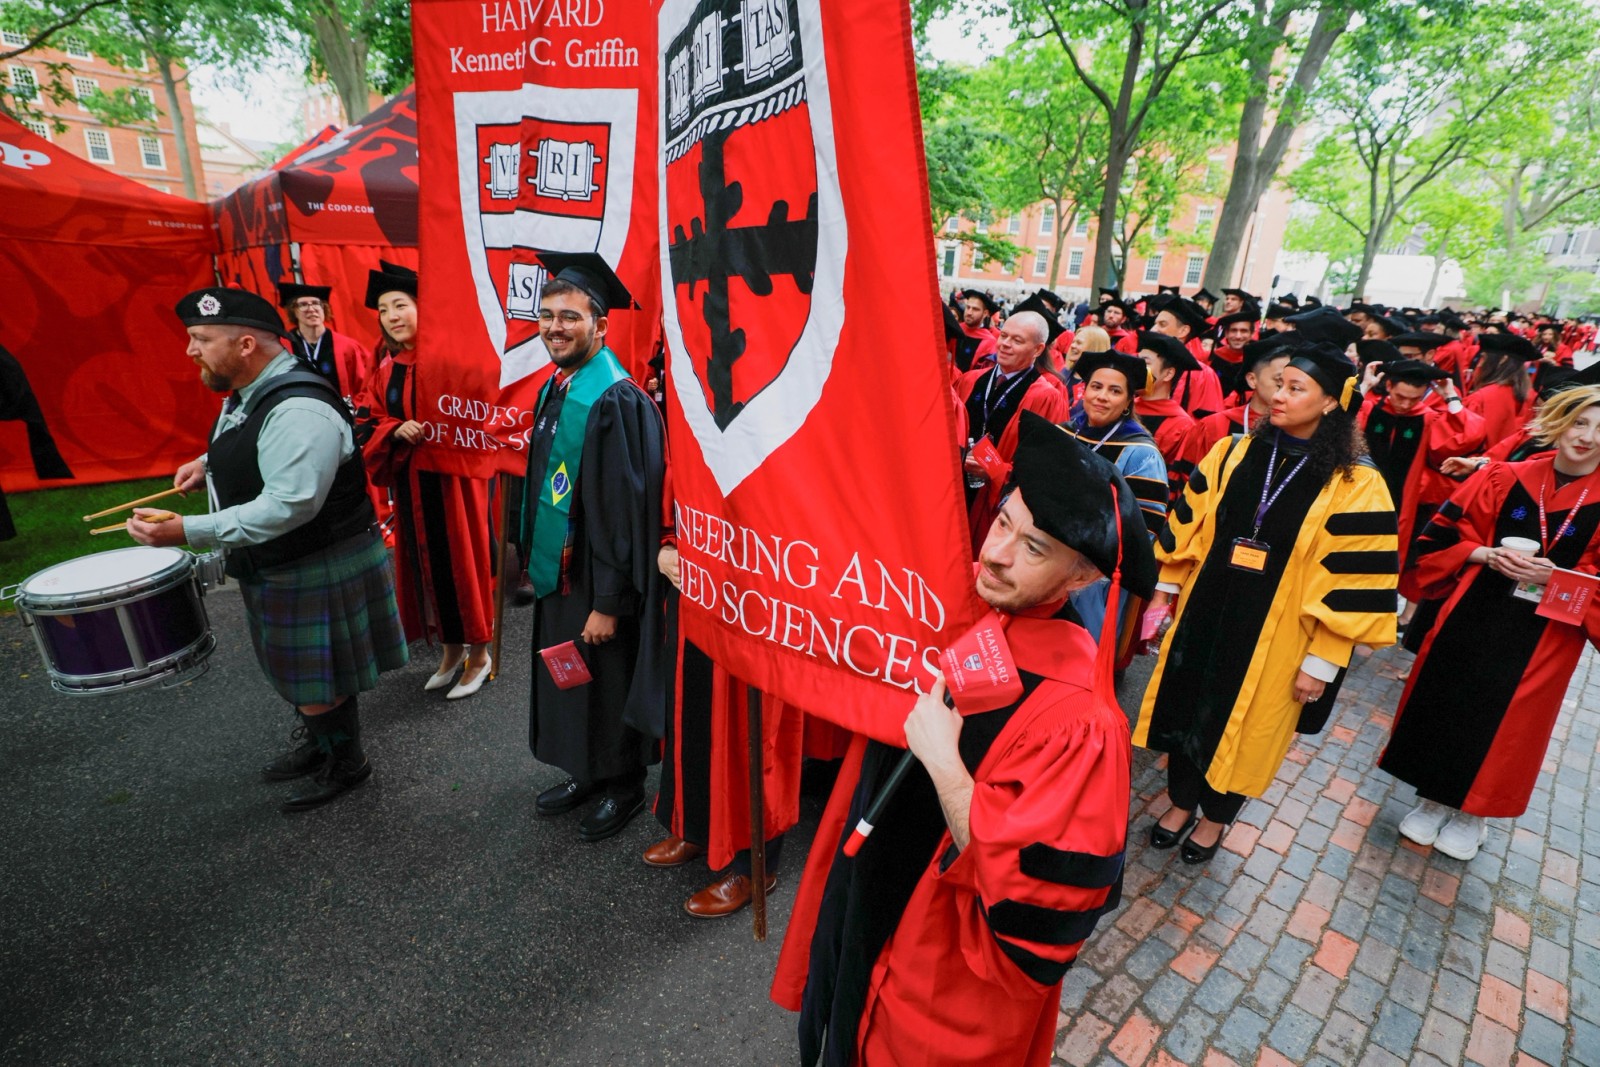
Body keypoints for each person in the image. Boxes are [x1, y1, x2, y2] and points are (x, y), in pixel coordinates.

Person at [776, 412, 1157, 1067]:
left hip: (936, 966)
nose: (997, 552)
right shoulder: (966, 612)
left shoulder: (1082, 725)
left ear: (1081, 578)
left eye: (1033, 547)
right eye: (1003, 522)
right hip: (866, 900)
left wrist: (946, 765)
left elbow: (1038, 912)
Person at [129, 287, 407, 812]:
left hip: (317, 559)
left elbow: (289, 505)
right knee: (303, 671)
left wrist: (189, 530)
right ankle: (323, 744)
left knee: (317, 675)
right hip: (286, 560)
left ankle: (346, 763)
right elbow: (257, 442)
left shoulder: (299, 407)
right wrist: (208, 463)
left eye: (201, 339)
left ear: (246, 345)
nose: (190, 350)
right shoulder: (252, 387)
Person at [1135, 342, 1399, 863]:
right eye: (1279, 384)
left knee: (1249, 732)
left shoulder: (1356, 483)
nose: (1278, 395)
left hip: (1278, 638)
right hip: (1205, 614)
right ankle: (1181, 802)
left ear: (1330, 402)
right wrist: (1165, 596)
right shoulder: (1232, 452)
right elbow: (1189, 529)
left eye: (1295, 388)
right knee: (1186, 710)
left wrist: (1322, 662)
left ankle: (1215, 819)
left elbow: (1353, 582)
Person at [1380, 386, 1600, 860]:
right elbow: (1438, 539)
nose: (1587, 436)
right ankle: (1432, 798)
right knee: (1450, 697)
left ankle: (1472, 814)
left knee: (1509, 722)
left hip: (1546, 634)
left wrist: (1556, 577)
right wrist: (1483, 553)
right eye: (1580, 422)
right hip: (1473, 610)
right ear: (1559, 421)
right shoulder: (1506, 476)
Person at [525, 252, 667, 843]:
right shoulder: (560, 386)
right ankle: (585, 769)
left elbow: (623, 513)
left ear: (600, 326)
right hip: (563, 568)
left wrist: (608, 601)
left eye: (570, 317)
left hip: (598, 576)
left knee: (605, 678)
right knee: (572, 674)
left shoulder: (613, 399)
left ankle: (623, 784)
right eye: (547, 316)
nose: (555, 327)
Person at [354, 262, 496, 700]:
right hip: (413, 483)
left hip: (454, 485)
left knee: (462, 564)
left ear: (423, 308)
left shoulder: (451, 359)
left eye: (400, 305)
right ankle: (451, 651)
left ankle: (479, 653)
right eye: (383, 310)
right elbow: (367, 417)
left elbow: (485, 404)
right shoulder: (387, 369)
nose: (391, 316)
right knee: (427, 567)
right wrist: (394, 428)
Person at [1357, 359, 1485, 616]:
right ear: (1389, 386)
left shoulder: (1427, 419)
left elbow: (1468, 436)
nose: (1405, 404)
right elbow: (1337, 421)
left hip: (1401, 505)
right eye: (1400, 396)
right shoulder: (1370, 409)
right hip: (1358, 497)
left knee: (1387, 556)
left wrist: (1450, 396)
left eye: (1413, 398)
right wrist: (1363, 387)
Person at [1059, 349, 1168, 641]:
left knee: (1077, 646)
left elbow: (1146, 528)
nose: (1102, 396)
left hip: (1096, 575)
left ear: (1129, 401)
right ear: (1084, 391)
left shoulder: (1141, 453)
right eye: (1096, 386)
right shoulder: (1063, 433)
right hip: (1048, 557)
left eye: (1115, 391)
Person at [954, 310, 1070, 554]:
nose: (1005, 344)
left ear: (1038, 349)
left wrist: (997, 471)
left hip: (997, 510)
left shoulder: (1046, 397)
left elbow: (1048, 466)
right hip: (955, 495)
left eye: (1017, 340)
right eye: (1003, 335)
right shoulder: (970, 380)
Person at [276, 281, 371, 401]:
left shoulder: (348, 347)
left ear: (323, 308)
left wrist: (355, 408)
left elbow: (366, 387)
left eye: (316, 303)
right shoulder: (282, 347)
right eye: (303, 304)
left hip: (341, 410)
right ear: (293, 311)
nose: (311, 309)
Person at [1131, 330, 1198, 495]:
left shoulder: (1182, 425)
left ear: (1168, 374)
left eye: (1145, 362)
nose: (1136, 368)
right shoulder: (1123, 407)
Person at [1464, 332, 1537, 447]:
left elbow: (1464, 440)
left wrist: (1452, 401)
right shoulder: (1531, 395)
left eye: (1483, 358)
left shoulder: (1481, 398)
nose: (1479, 364)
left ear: (1503, 359)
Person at [949, 291, 999, 373]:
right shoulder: (954, 329)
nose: (969, 312)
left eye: (975, 309)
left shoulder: (989, 343)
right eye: (968, 307)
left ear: (985, 313)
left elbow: (983, 373)